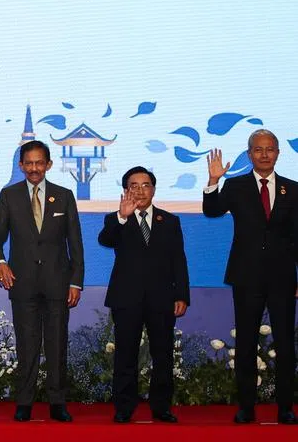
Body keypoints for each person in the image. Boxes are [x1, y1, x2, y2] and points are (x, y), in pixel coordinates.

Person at [0, 140, 84, 422]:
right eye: (28, 163)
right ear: (21, 165)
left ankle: (57, 403)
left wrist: (75, 282)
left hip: (57, 284)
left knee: (56, 345)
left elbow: (75, 244)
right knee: (26, 345)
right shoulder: (9, 195)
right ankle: (24, 402)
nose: (34, 168)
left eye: (39, 163)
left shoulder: (64, 196)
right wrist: (0, 262)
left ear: (49, 165)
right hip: (22, 283)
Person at [204, 130, 297, 424]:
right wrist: (213, 181)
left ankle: (286, 408)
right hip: (247, 277)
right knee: (245, 343)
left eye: (270, 149)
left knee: (285, 344)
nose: (265, 154)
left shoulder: (293, 190)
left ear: (278, 153)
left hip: (283, 278)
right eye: (258, 149)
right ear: (249, 154)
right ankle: (246, 407)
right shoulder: (236, 186)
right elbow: (212, 211)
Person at [98, 167, 188, 423]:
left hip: (162, 298)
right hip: (127, 298)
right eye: (133, 186)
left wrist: (181, 294)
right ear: (126, 191)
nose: (140, 190)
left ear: (153, 189)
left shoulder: (169, 221)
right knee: (126, 355)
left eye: (145, 185)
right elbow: (105, 240)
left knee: (163, 355)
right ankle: (124, 407)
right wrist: (122, 217)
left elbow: (178, 260)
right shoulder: (115, 219)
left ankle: (161, 407)